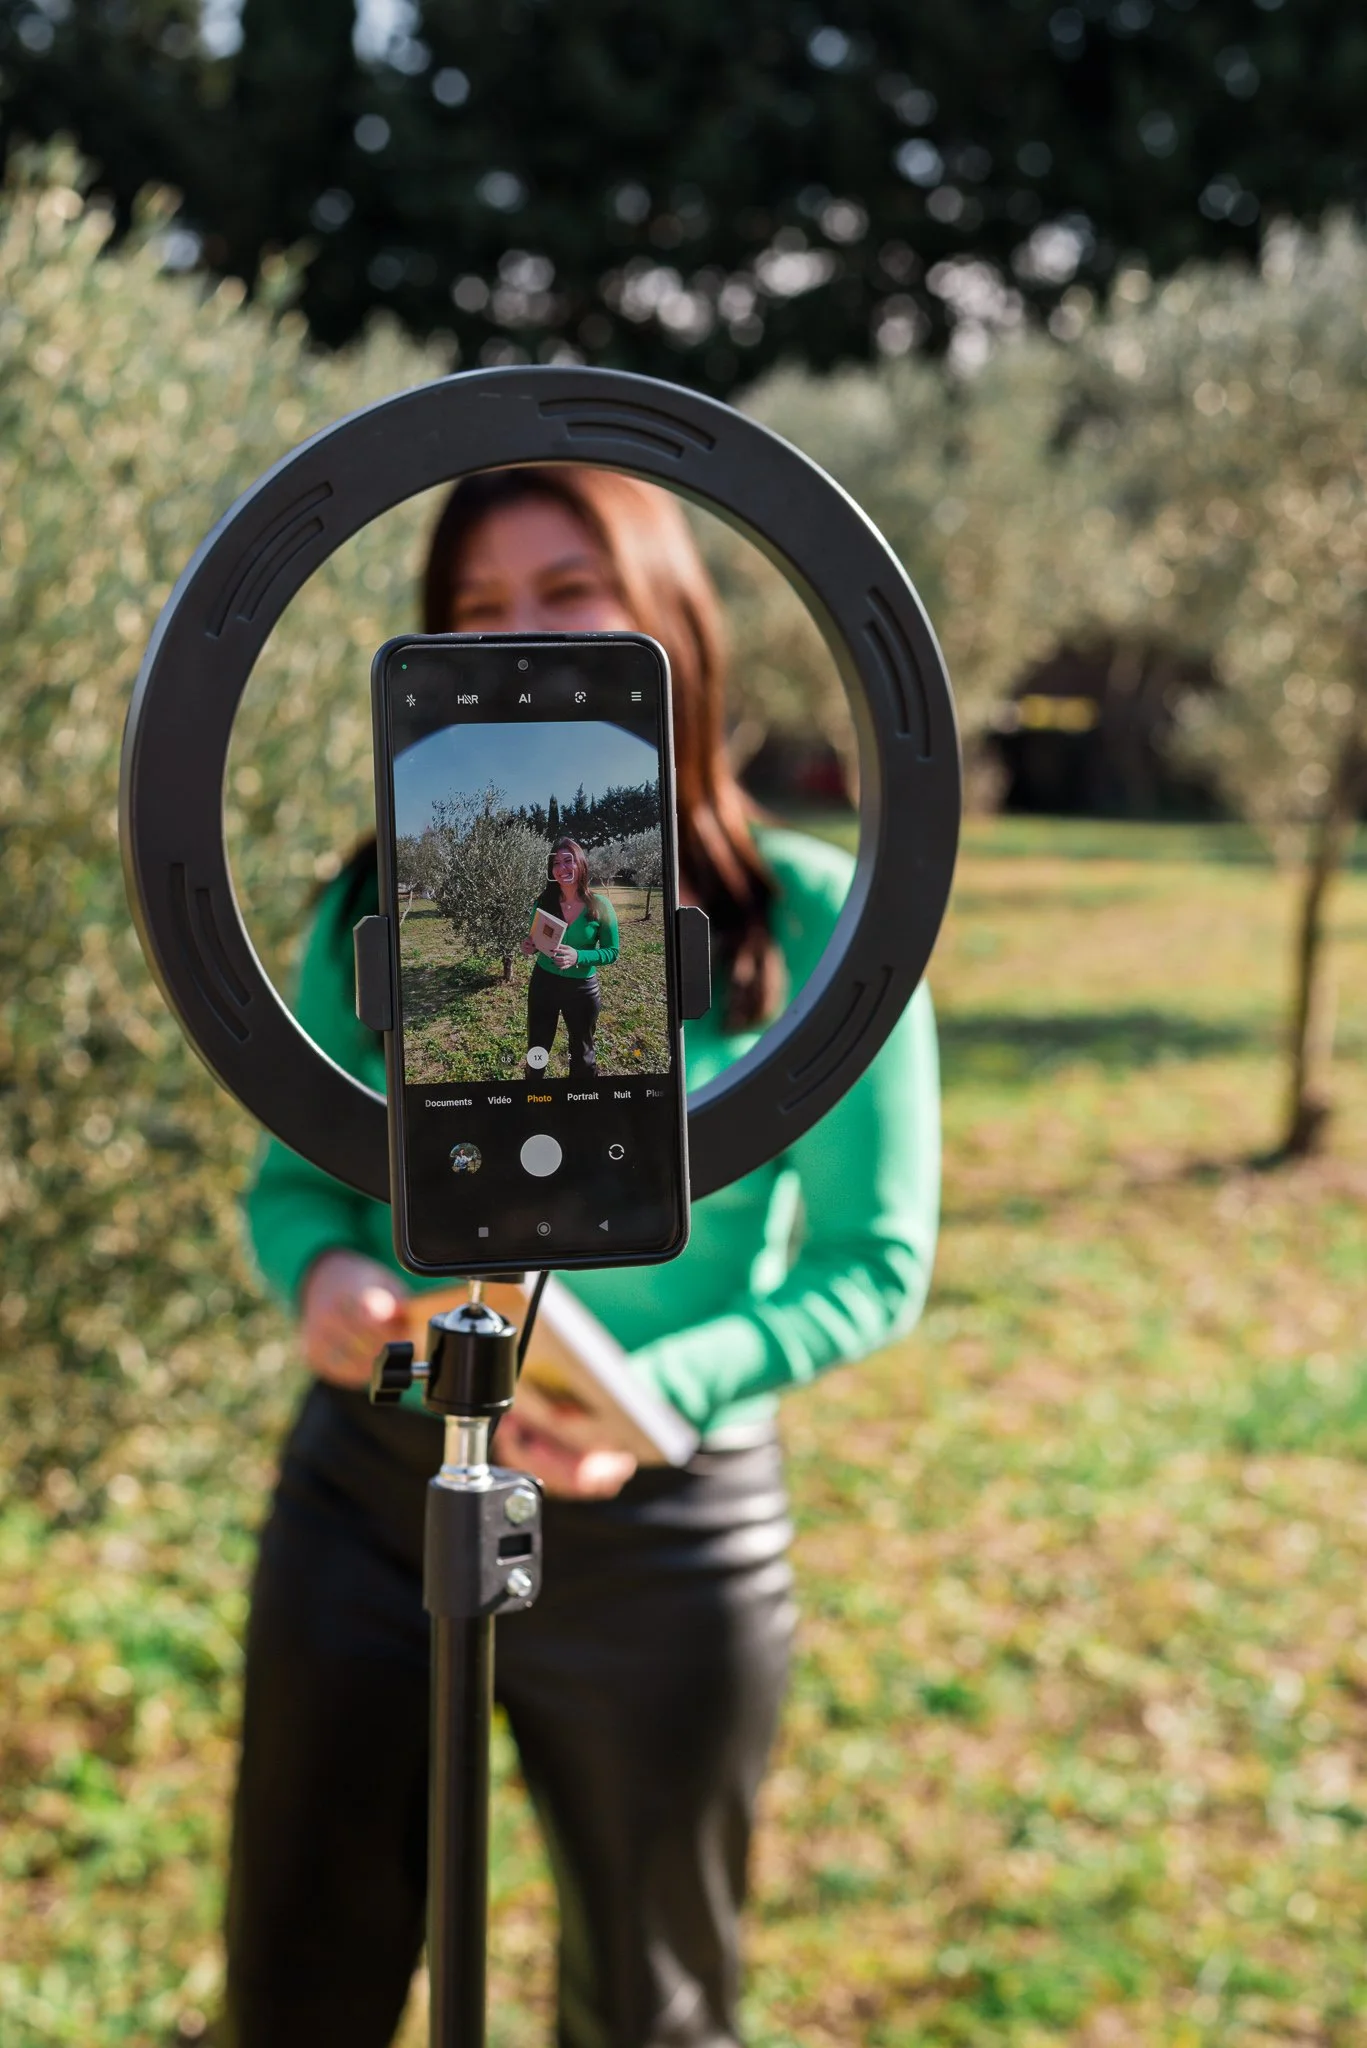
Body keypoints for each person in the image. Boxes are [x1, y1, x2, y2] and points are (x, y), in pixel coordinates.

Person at [225, 466, 941, 2048]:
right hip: (372, 1496)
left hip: (670, 1526)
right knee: (300, 1981)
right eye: (477, 609)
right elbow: (295, 1188)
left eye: (565, 590)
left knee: (653, 2011)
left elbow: (877, 1262)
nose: (520, 637)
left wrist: (642, 1402)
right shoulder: (389, 907)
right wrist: (331, 1292)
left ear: (667, 618)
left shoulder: (817, 920)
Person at [522, 837, 619, 1080]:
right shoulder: (543, 902)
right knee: (537, 1048)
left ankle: (582, 1103)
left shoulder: (600, 905)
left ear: (581, 864)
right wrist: (530, 947)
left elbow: (611, 951)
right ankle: (533, 1096)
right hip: (544, 983)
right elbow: (536, 941)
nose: (562, 868)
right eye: (556, 863)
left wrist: (578, 955)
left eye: (568, 861)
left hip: (582, 989)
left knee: (582, 1053)